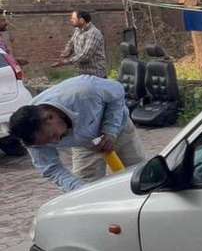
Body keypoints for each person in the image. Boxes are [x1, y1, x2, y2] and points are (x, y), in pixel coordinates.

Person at [9, 75, 146, 192]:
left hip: (119, 128)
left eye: (53, 136)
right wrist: (81, 191)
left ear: (49, 117)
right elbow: (52, 169)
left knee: (142, 178)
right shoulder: (33, 137)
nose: (56, 142)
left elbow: (117, 91)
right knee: (85, 190)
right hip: (84, 143)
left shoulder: (85, 91)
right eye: (49, 142)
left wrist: (110, 131)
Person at [53, 9, 107, 77]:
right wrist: (64, 53)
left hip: (95, 75)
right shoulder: (78, 30)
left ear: (81, 20)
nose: (71, 20)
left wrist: (66, 61)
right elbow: (71, 43)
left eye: (73, 18)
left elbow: (85, 55)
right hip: (82, 74)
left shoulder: (93, 33)